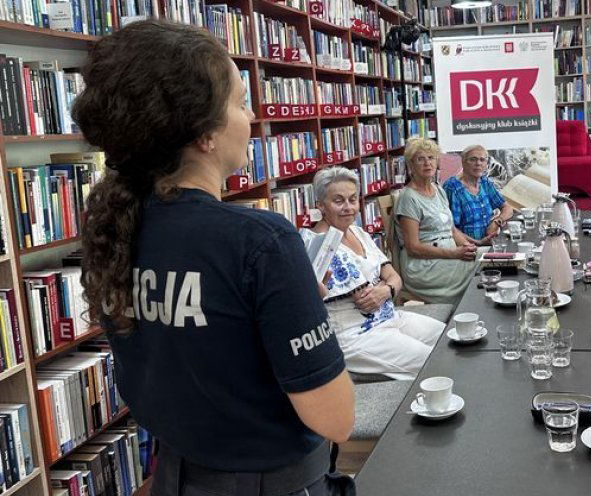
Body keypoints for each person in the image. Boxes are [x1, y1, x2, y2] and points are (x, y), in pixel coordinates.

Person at [72, 21, 355, 495]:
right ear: (205, 132)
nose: (251, 118)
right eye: (241, 103)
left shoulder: (113, 229)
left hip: (177, 478)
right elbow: (336, 418)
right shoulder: (260, 241)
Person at [301, 167, 444, 380]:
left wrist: (385, 290)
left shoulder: (358, 232)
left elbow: (394, 276)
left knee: (449, 338)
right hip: (355, 335)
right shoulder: (313, 245)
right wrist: (384, 287)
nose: (348, 207)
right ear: (320, 205)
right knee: (436, 363)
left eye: (352, 200)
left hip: (390, 317)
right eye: (338, 201)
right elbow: (309, 302)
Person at [394, 138, 478, 303]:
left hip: (448, 255)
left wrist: (468, 247)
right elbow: (413, 247)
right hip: (424, 266)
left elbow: (451, 230)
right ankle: (465, 314)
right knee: (483, 268)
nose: (427, 163)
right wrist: (453, 254)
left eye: (431, 158)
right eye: (420, 159)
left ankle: (471, 312)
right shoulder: (408, 198)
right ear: (411, 165)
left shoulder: (438, 190)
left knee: (490, 258)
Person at [443, 144, 514, 243]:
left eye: (482, 160)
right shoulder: (453, 187)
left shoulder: (485, 182)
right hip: (467, 248)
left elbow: (508, 208)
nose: (478, 163)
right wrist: (478, 243)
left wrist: (497, 222)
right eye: (473, 159)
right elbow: (450, 229)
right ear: (463, 162)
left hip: (489, 244)